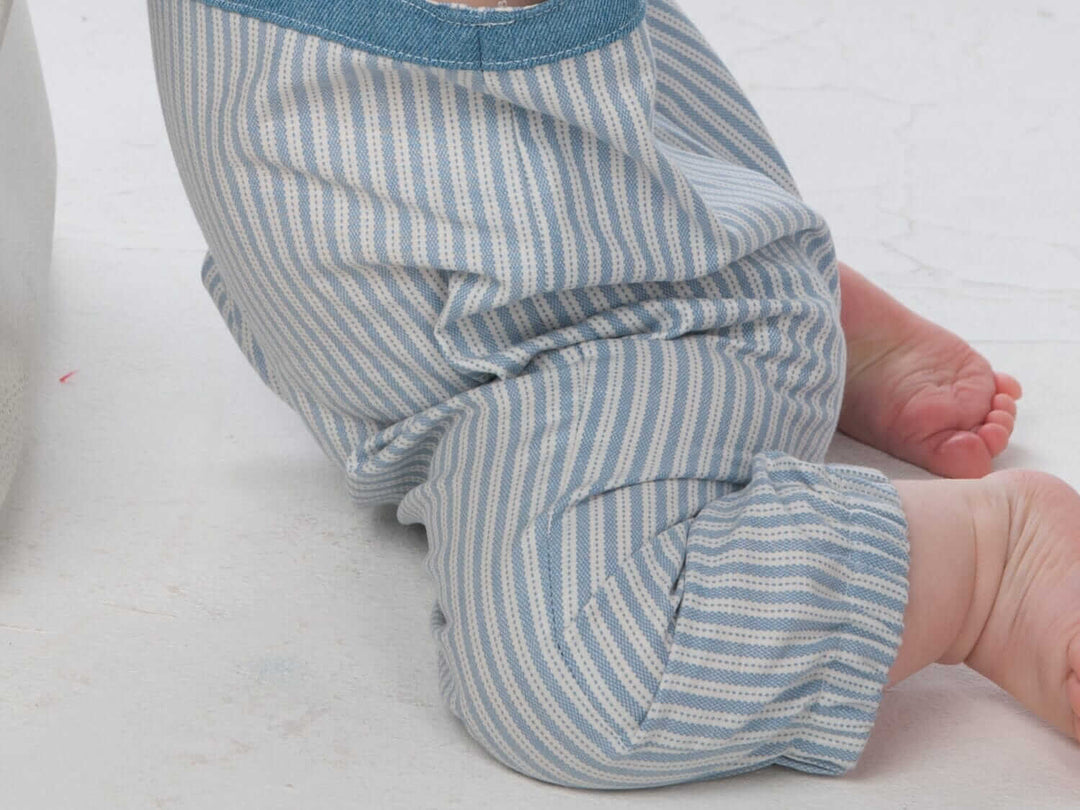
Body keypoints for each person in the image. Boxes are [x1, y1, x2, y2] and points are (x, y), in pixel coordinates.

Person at [147, 0, 1080, 789]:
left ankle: (988, 566)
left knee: (586, 670)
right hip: (415, 261)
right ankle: (724, 247)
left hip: (595, 342)